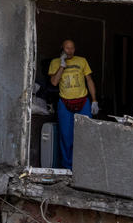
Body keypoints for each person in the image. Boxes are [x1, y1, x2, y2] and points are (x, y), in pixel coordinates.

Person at [48, 39, 98, 169]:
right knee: (66, 137)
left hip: (83, 102)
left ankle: (86, 166)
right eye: (67, 48)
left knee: (86, 134)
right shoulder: (55, 62)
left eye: (72, 48)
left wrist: (94, 100)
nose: (70, 51)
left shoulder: (82, 61)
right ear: (62, 49)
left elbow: (89, 81)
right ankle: (67, 169)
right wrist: (62, 65)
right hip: (65, 103)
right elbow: (54, 82)